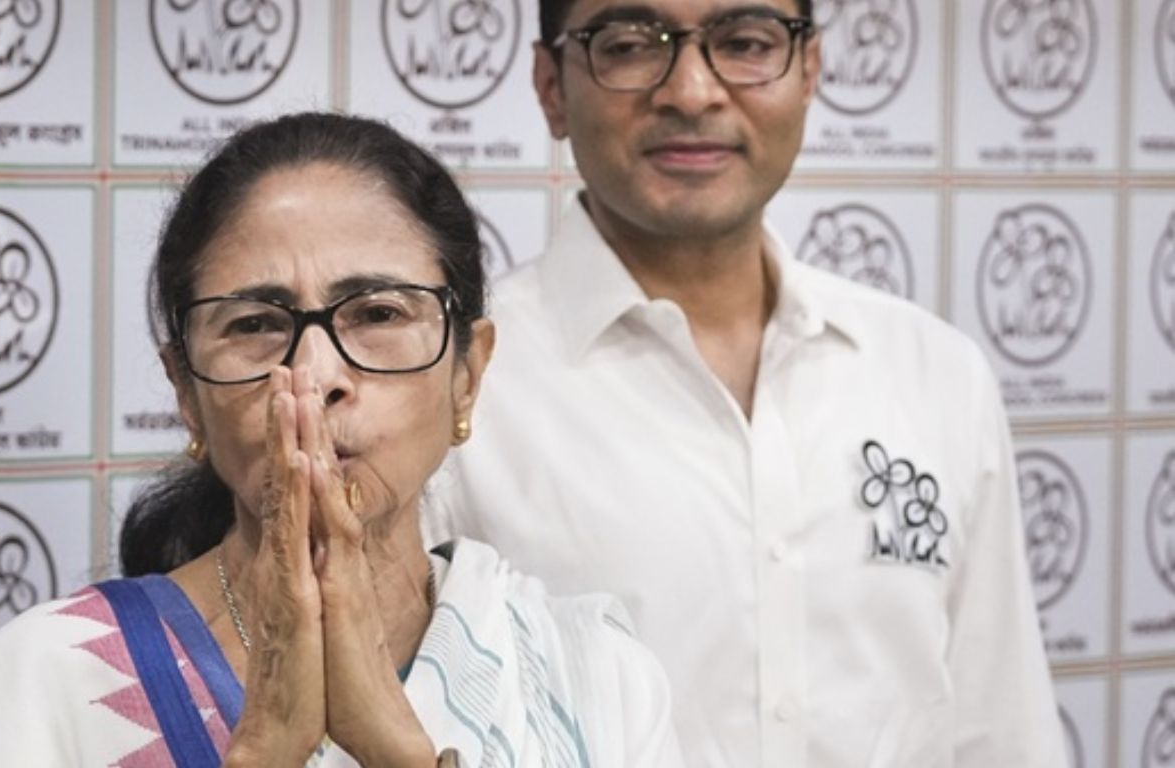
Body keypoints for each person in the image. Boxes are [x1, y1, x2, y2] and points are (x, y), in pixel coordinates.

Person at [0, 113, 681, 767]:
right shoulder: (45, 686)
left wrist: (397, 751)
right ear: (187, 394)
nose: (314, 374)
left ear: (467, 373)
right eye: (256, 325)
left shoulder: (590, 675)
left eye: (379, 313)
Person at [427, 1, 1067, 766]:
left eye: (745, 42)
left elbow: (1002, 732)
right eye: (630, 45)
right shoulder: (451, 393)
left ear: (809, 70)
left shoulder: (934, 374)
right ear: (550, 87)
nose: (692, 92)